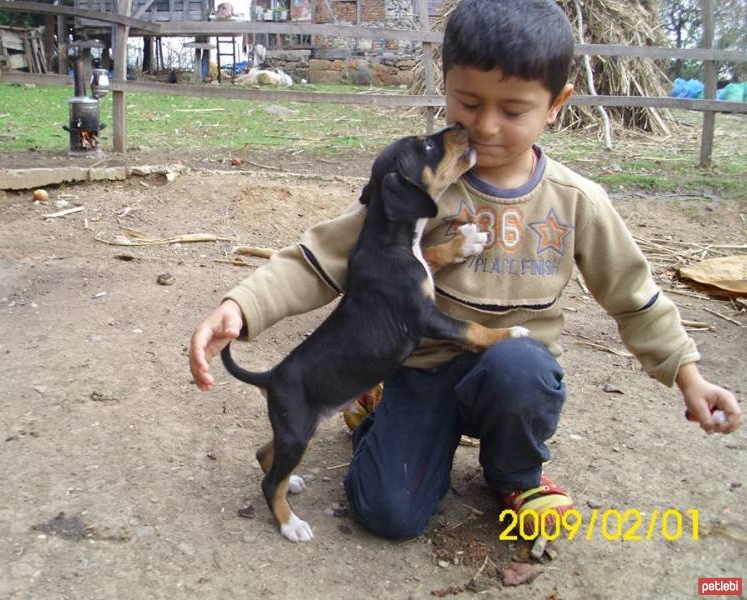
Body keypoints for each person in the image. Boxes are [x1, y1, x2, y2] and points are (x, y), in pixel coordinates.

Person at [189, 0, 742, 540]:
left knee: (521, 368)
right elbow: (322, 258)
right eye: (469, 104)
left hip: (507, 375)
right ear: (445, 84)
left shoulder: (577, 202)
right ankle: (380, 414)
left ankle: (516, 477)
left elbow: (634, 296)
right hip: (421, 369)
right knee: (386, 516)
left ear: (556, 104)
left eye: (513, 110)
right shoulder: (417, 188)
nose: (487, 126)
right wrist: (243, 306)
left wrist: (687, 374)